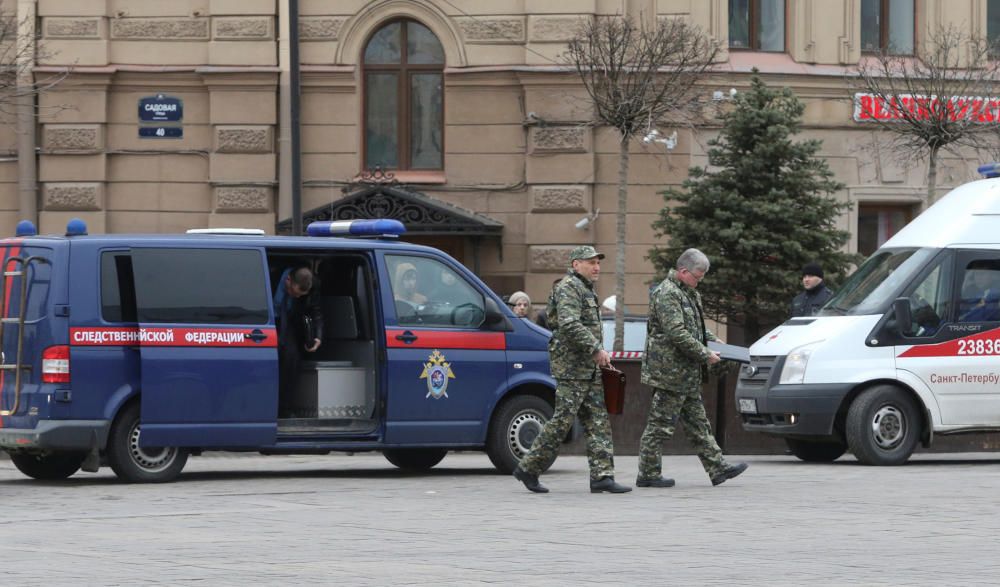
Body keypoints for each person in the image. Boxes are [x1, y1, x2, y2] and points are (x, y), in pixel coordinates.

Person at [513, 246, 630, 494]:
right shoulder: (568, 287)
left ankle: (602, 476)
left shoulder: (586, 289)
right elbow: (569, 324)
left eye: (598, 262)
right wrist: (596, 349)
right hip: (571, 367)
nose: (596, 266)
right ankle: (529, 467)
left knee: (598, 420)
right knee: (562, 421)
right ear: (576, 265)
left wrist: (597, 356)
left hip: (589, 367)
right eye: (590, 262)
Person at [637, 248, 748, 488]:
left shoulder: (688, 292)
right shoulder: (667, 294)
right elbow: (676, 332)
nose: (700, 281)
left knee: (699, 423)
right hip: (669, 372)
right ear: (683, 271)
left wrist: (712, 340)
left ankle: (717, 468)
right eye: (698, 276)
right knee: (660, 425)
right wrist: (704, 353)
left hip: (685, 372)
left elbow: (694, 327)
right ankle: (647, 473)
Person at [274, 266, 324, 418]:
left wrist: (318, 336)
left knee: (291, 360)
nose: (296, 297)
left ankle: (284, 409)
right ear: (288, 280)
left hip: (289, 322)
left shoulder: (312, 285)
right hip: (270, 320)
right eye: (293, 293)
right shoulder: (271, 275)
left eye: (300, 295)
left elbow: (316, 311)